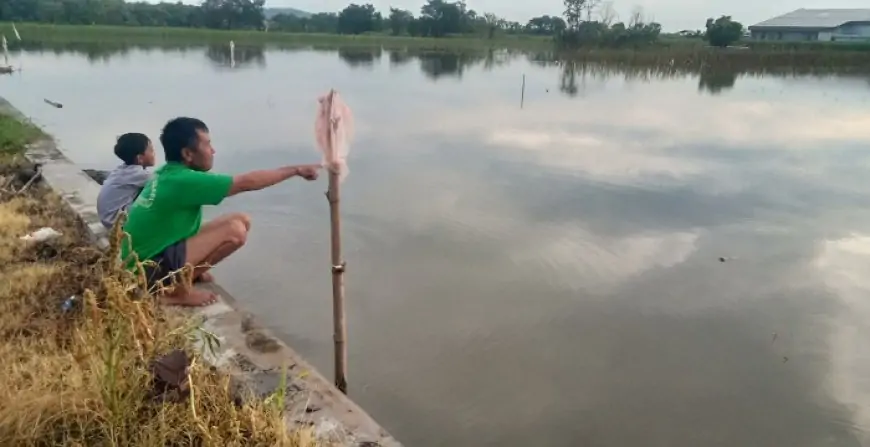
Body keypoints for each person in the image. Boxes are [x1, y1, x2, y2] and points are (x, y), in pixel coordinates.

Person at [121, 117, 321, 307]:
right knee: (235, 231)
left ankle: (190, 275)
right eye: (207, 145)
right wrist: (295, 170)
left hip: (142, 263)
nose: (213, 150)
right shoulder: (184, 180)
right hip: (143, 274)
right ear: (188, 154)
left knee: (242, 219)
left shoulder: (167, 173)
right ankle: (173, 293)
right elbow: (246, 183)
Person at [96, 132, 155, 229]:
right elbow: (163, 180)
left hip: (108, 219)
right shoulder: (137, 174)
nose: (154, 154)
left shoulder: (122, 170)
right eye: (151, 150)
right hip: (117, 223)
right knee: (156, 189)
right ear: (140, 158)